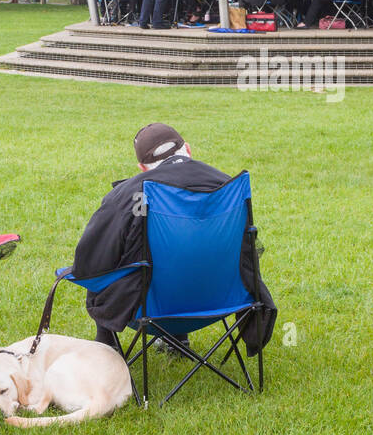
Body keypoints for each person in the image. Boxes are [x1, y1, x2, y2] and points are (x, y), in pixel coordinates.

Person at [71, 123, 277, 352]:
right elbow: (248, 250)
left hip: (152, 309)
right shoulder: (228, 185)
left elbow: (89, 261)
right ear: (187, 150)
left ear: (142, 167)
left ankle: (106, 348)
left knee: (102, 273)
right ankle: (178, 339)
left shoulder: (130, 194)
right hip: (227, 300)